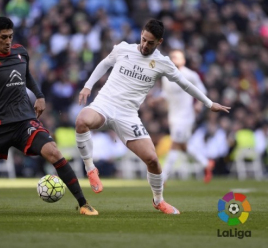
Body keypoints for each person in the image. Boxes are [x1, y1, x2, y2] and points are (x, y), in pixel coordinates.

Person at [75, 19, 230, 214]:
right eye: (144, 39)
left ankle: (159, 201)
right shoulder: (123, 49)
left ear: (160, 42)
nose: (145, 45)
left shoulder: (163, 63)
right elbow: (104, 63)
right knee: (81, 120)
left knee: (153, 161)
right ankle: (90, 169)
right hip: (104, 105)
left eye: (150, 42)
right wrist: (88, 85)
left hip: (128, 115)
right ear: (141, 34)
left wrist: (209, 104)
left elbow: (186, 84)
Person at [0, 17, 98, 215]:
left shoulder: (20, 52)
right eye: (3, 37)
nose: (8, 41)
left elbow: (27, 76)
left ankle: (83, 204)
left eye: (10, 36)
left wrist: (40, 96)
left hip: (24, 122)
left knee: (54, 152)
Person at [148, 49, 215, 183]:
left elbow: (202, 90)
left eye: (177, 57)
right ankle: (206, 164)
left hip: (186, 117)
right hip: (173, 116)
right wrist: (156, 100)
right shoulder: (167, 77)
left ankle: (163, 176)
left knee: (175, 144)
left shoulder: (190, 75)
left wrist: (199, 105)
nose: (174, 59)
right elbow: (166, 94)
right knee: (183, 146)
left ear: (183, 60)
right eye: (172, 57)